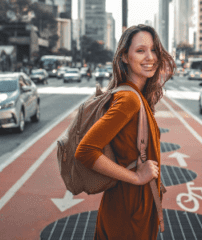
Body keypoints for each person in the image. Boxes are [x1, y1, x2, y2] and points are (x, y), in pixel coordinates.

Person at [74, 24, 176, 240]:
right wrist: (137, 177)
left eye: (154, 49)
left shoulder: (137, 95)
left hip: (134, 206)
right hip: (128, 213)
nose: (150, 57)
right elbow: (86, 151)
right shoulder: (129, 99)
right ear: (124, 57)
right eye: (140, 51)